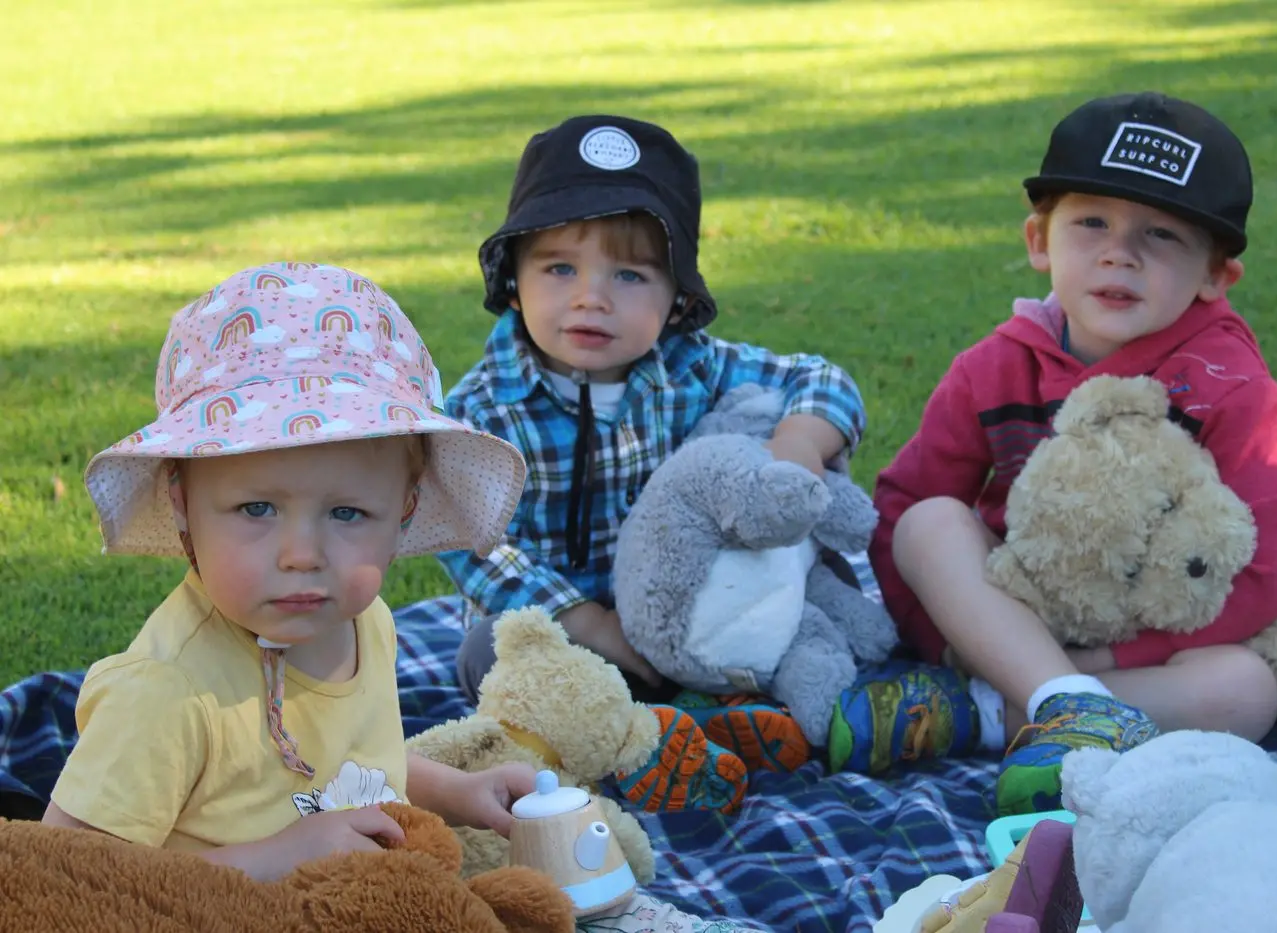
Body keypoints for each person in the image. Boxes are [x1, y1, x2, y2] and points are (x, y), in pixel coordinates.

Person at [865, 92, 1277, 814]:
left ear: (1213, 275)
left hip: (1146, 639)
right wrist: (943, 638)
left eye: (1160, 235)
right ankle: (1041, 694)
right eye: (1091, 222)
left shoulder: (1234, 391)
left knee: (1245, 689)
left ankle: (981, 713)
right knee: (929, 522)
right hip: (1014, 610)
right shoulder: (994, 365)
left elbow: (1266, 569)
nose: (1118, 252)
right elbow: (898, 508)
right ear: (1039, 240)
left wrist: (1104, 662)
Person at [44, 262, 539, 879]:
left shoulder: (365, 622)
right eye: (257, 508)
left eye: (348, 512)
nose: (302, 553)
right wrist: (280, 857)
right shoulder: (167, 691)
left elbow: (351, 774)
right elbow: (63, 874)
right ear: (181, 501)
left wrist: (460, 792)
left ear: (404, 511)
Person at [440, 115, 869, 812]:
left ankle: (718, 710)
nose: (591, 296)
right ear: (512, 279)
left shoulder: (690, 365)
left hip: (689, 606)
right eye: (559, 267)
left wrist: (796, 446)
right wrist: (587, 620)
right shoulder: (485, 408)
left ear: (676, 301)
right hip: (572, 633)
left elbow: (821, 380)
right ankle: (661, 732)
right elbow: (471, 532)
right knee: (492, 655)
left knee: (819, 571)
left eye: (630, 274)